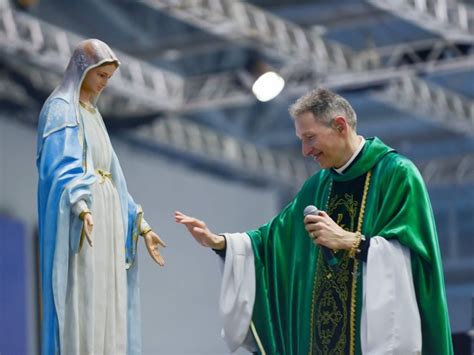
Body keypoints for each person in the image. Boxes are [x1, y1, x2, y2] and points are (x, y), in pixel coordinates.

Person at [175, 88, 453, 354]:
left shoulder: (397, 175)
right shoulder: (318, 186)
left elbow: (416, 263)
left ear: (340, 126)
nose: (305, 151)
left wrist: (351, 241)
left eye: (310, 138)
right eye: (301, 140)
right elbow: (272, 242)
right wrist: (222, 243)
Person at [36, 39, 166, 355]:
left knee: (108, 295)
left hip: (108, 215)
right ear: (83, 70)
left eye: (108, 77)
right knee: (85, 291)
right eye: (101, 76)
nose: (105, 84)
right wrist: (80, 206)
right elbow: (58, 164)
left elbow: (114, 174)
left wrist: (141, 223)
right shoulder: (61, 109)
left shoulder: (92, 113)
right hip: (84, 217)